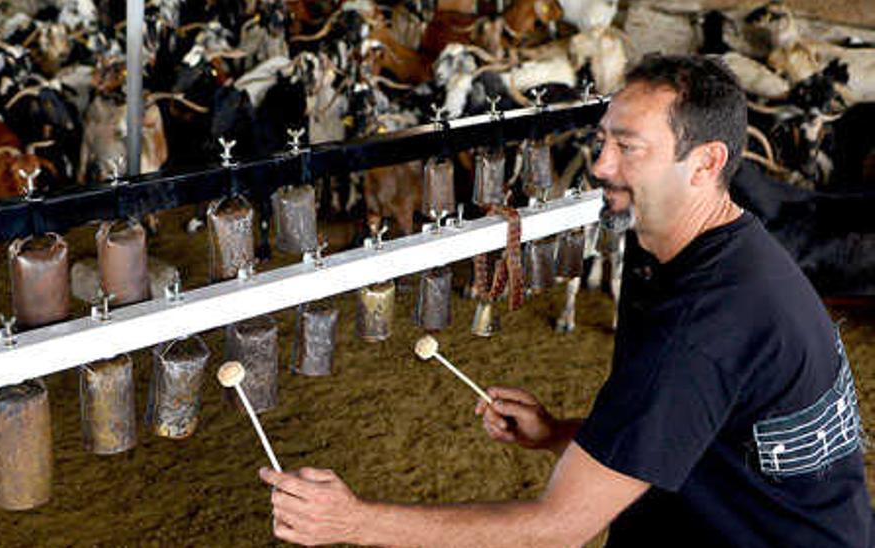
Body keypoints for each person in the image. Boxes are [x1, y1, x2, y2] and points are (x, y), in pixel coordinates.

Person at [259, 54, 872, 546]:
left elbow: (560, 528)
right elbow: (692, 429)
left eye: (628, 147)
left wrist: (354, 521)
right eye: (602, 139)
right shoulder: (688, 250)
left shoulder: (707, 320)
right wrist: (560, 434)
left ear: (706, 162)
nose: (600, 164)